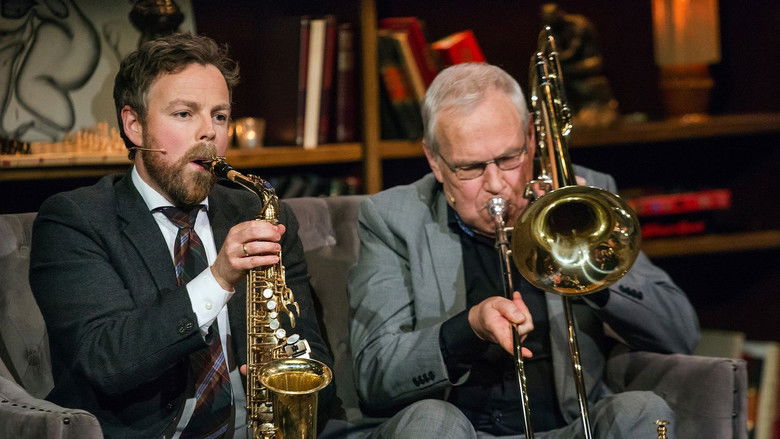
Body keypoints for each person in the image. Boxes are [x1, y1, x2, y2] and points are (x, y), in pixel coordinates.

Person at [348, 63, 699, 438]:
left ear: (531, 138)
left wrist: (589, 261)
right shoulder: (394, 219)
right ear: (434, 160)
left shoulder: (582, 198)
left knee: (643, 411)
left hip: (567, 429)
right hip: (458, 430)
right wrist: (470, 328)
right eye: (470, 168)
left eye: (509, 159)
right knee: (432, 423)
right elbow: (374, 376)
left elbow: (679, 335)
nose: (496, 184)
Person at [29, 33, 339, 438]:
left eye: (220, 116)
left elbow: (312, 354)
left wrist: (292, 388)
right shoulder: (76, 221)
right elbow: (106, 361)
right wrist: (219, 277)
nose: (209, 132)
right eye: (184, 114)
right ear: (134, 125)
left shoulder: (262, 213)